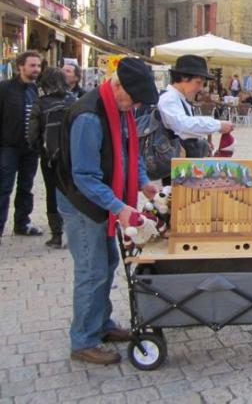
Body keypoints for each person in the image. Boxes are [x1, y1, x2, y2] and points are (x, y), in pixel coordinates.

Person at [58, 58, 160, 364]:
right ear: (116, 86)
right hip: (82, 205)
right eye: (133, 99)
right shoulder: (89, 117)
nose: (135, 105)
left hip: (102, 202)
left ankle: (100, 325)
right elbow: (85, 176)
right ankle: (83, 340)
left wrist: (143, 182)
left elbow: (130, 153)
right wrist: (120, 207)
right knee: (92, 271)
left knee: (108, 263)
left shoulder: (120, 111)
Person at [27, 67, 77, 248]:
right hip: (72, 155)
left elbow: (32, 132)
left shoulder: (40, 103)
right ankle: (74, 232)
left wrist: (36, 146)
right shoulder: (74, 101)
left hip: (49, 156)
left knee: (52, 193)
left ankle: (56, 235)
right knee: (71, 191)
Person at [157, 55, 233, 172]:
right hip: (171, 170)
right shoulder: (169, 98)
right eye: (198, 82)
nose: (201, 88)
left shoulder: (181, 99)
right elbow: (183, 126)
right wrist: (217, 125)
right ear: (183, 78)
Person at [0, 50, 43, 241]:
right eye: (32, 65)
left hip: (30, 149)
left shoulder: (37, 90)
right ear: (21, 67)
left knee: (26, 187)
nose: (36, 69)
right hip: (7, 147)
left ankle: (22, 223)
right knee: (4, 187)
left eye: (38, 66)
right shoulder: (5, 88)